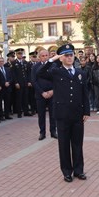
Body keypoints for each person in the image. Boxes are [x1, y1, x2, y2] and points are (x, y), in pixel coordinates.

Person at [38, 44, 90, 182]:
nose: (69, 57)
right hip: (62, 114)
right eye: (66, 55)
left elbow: (85, 93)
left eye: (71, 55)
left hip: (77, 114)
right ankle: (67, 171)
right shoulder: (56, 72)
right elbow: (40, 74)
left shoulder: (81, 73)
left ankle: (79, 170)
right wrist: (52, 59)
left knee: (78, 143)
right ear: (61, 58)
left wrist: (87, 111)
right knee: (64, 144)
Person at [32, 49, 56, 140]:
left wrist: (52, 91)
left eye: (46, 55)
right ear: (39, 57)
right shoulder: (35, 67)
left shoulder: (54, 66)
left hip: (52, 94)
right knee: (41, 115)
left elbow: (57, 80)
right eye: (43, 55)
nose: (45, 57)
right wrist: (42, 92)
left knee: (53, 114)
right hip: (40, 94)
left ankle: (53, 131)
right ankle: (42, 133)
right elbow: (34, 81)